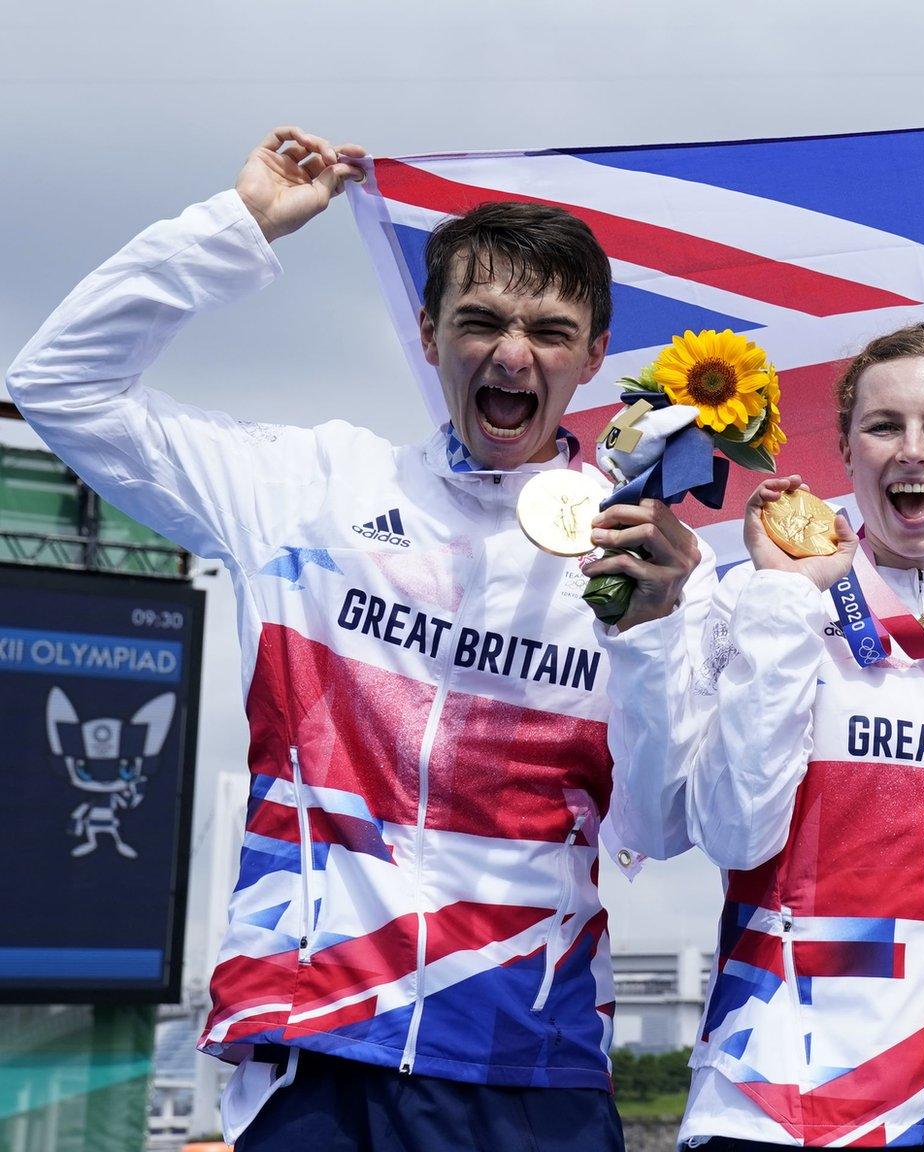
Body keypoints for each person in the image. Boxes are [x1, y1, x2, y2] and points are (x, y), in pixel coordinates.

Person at [6, 128, 714, 1150]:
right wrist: (237, 226)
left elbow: (657, 826)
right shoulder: (310, 491)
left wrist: (651, 637)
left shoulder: (646, 557)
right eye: (480, 321)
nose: (513, 354)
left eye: (548, 331)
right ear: (427, 335)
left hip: (531, 1053)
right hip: (319, 1045)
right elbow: (59, 384)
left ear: (594, 356)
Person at [611, 323, 924, 1148]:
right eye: (884, 427)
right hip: (772, 1102)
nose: (912, 451)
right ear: (845, 448)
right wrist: (783, 602)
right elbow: (732, 834)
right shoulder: (761, 601)